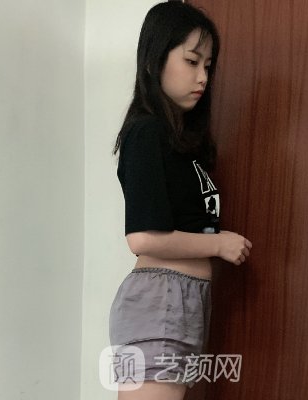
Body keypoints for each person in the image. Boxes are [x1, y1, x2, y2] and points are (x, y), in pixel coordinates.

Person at [109, 2, 252, 399]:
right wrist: (219, 244)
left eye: (208, 65)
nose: (202, 76)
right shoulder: (147, 132)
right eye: (191, 61)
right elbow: (142, 238)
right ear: (155, 59)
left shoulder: (180, 142)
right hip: (161, 301)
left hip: (180, 301)